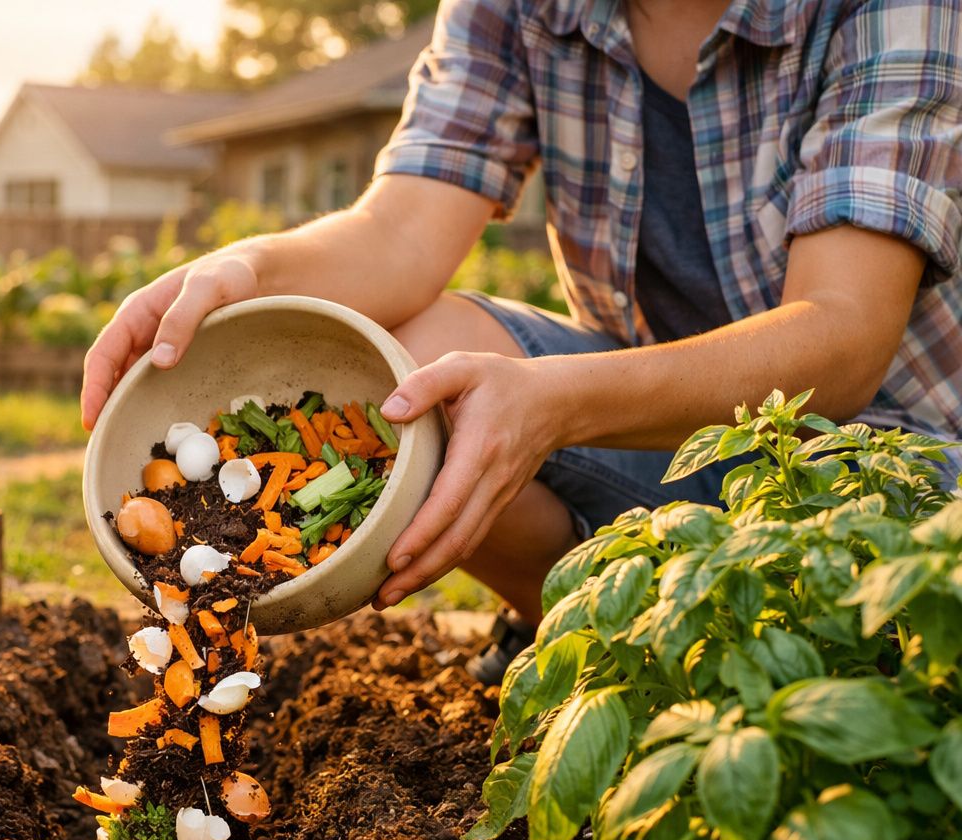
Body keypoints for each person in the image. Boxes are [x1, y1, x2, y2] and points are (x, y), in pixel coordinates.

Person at [78, 0, 962, 682]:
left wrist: (559, 404)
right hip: (658, 447)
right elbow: (402, 234)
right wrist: (246, 272)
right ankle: (590, 650)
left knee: (461, 392)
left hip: (886, 473)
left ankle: (693, 664)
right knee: (417, 364)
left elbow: (843, 340)